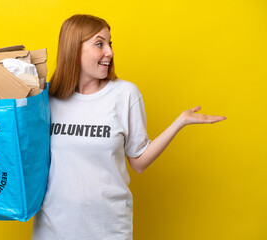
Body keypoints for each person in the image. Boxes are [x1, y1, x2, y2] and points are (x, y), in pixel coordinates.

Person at [31, 14, 227, 240]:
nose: (110, 52)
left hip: (108, 229)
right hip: (53, 229)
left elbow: (139, 162)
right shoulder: (46, 99)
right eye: (99, 44)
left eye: (109, 43)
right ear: (73, 48)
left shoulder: (125, 94)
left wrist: (180, 122)